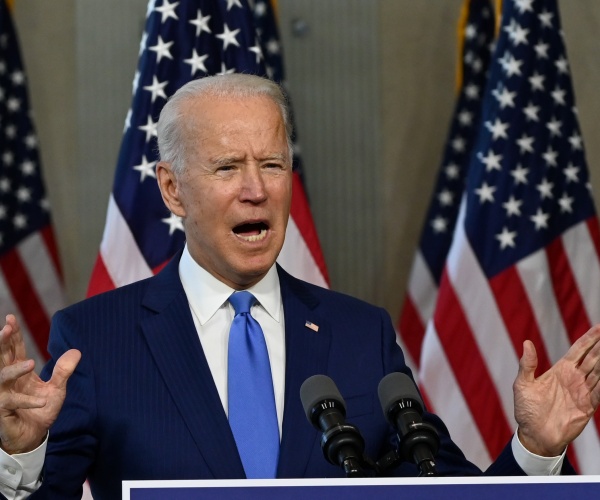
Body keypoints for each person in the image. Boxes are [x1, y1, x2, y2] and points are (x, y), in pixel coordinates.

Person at [0, 73, 599, 499]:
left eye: (274, 164)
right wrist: (19, 454)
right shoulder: (99, 339)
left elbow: (449, 495)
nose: (256, 190)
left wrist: (536, 448)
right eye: (228, 167)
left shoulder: (360, 334)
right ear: (172, 189)